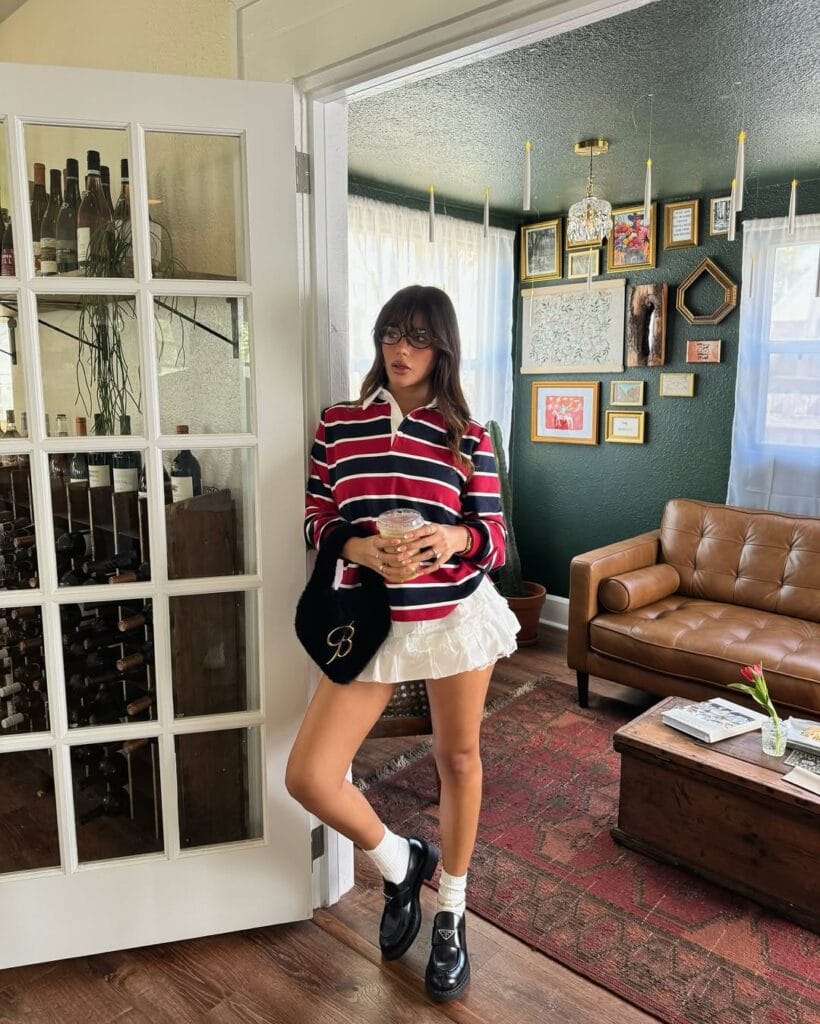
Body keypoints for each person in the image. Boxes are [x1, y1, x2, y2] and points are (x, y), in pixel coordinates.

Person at [286, 284, 519, 1003]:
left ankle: (451, 910)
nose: (401, 348)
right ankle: (399, 863)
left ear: (442, 347)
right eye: (391, 332)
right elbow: (316, 513)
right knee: (310, 776)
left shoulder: (467, 435)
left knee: (458, 759)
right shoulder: (340, 423)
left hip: (452, 619)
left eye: (418, 336)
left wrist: (452, 539)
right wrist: (356, 546)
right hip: (373, 623)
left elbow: (493, 537)